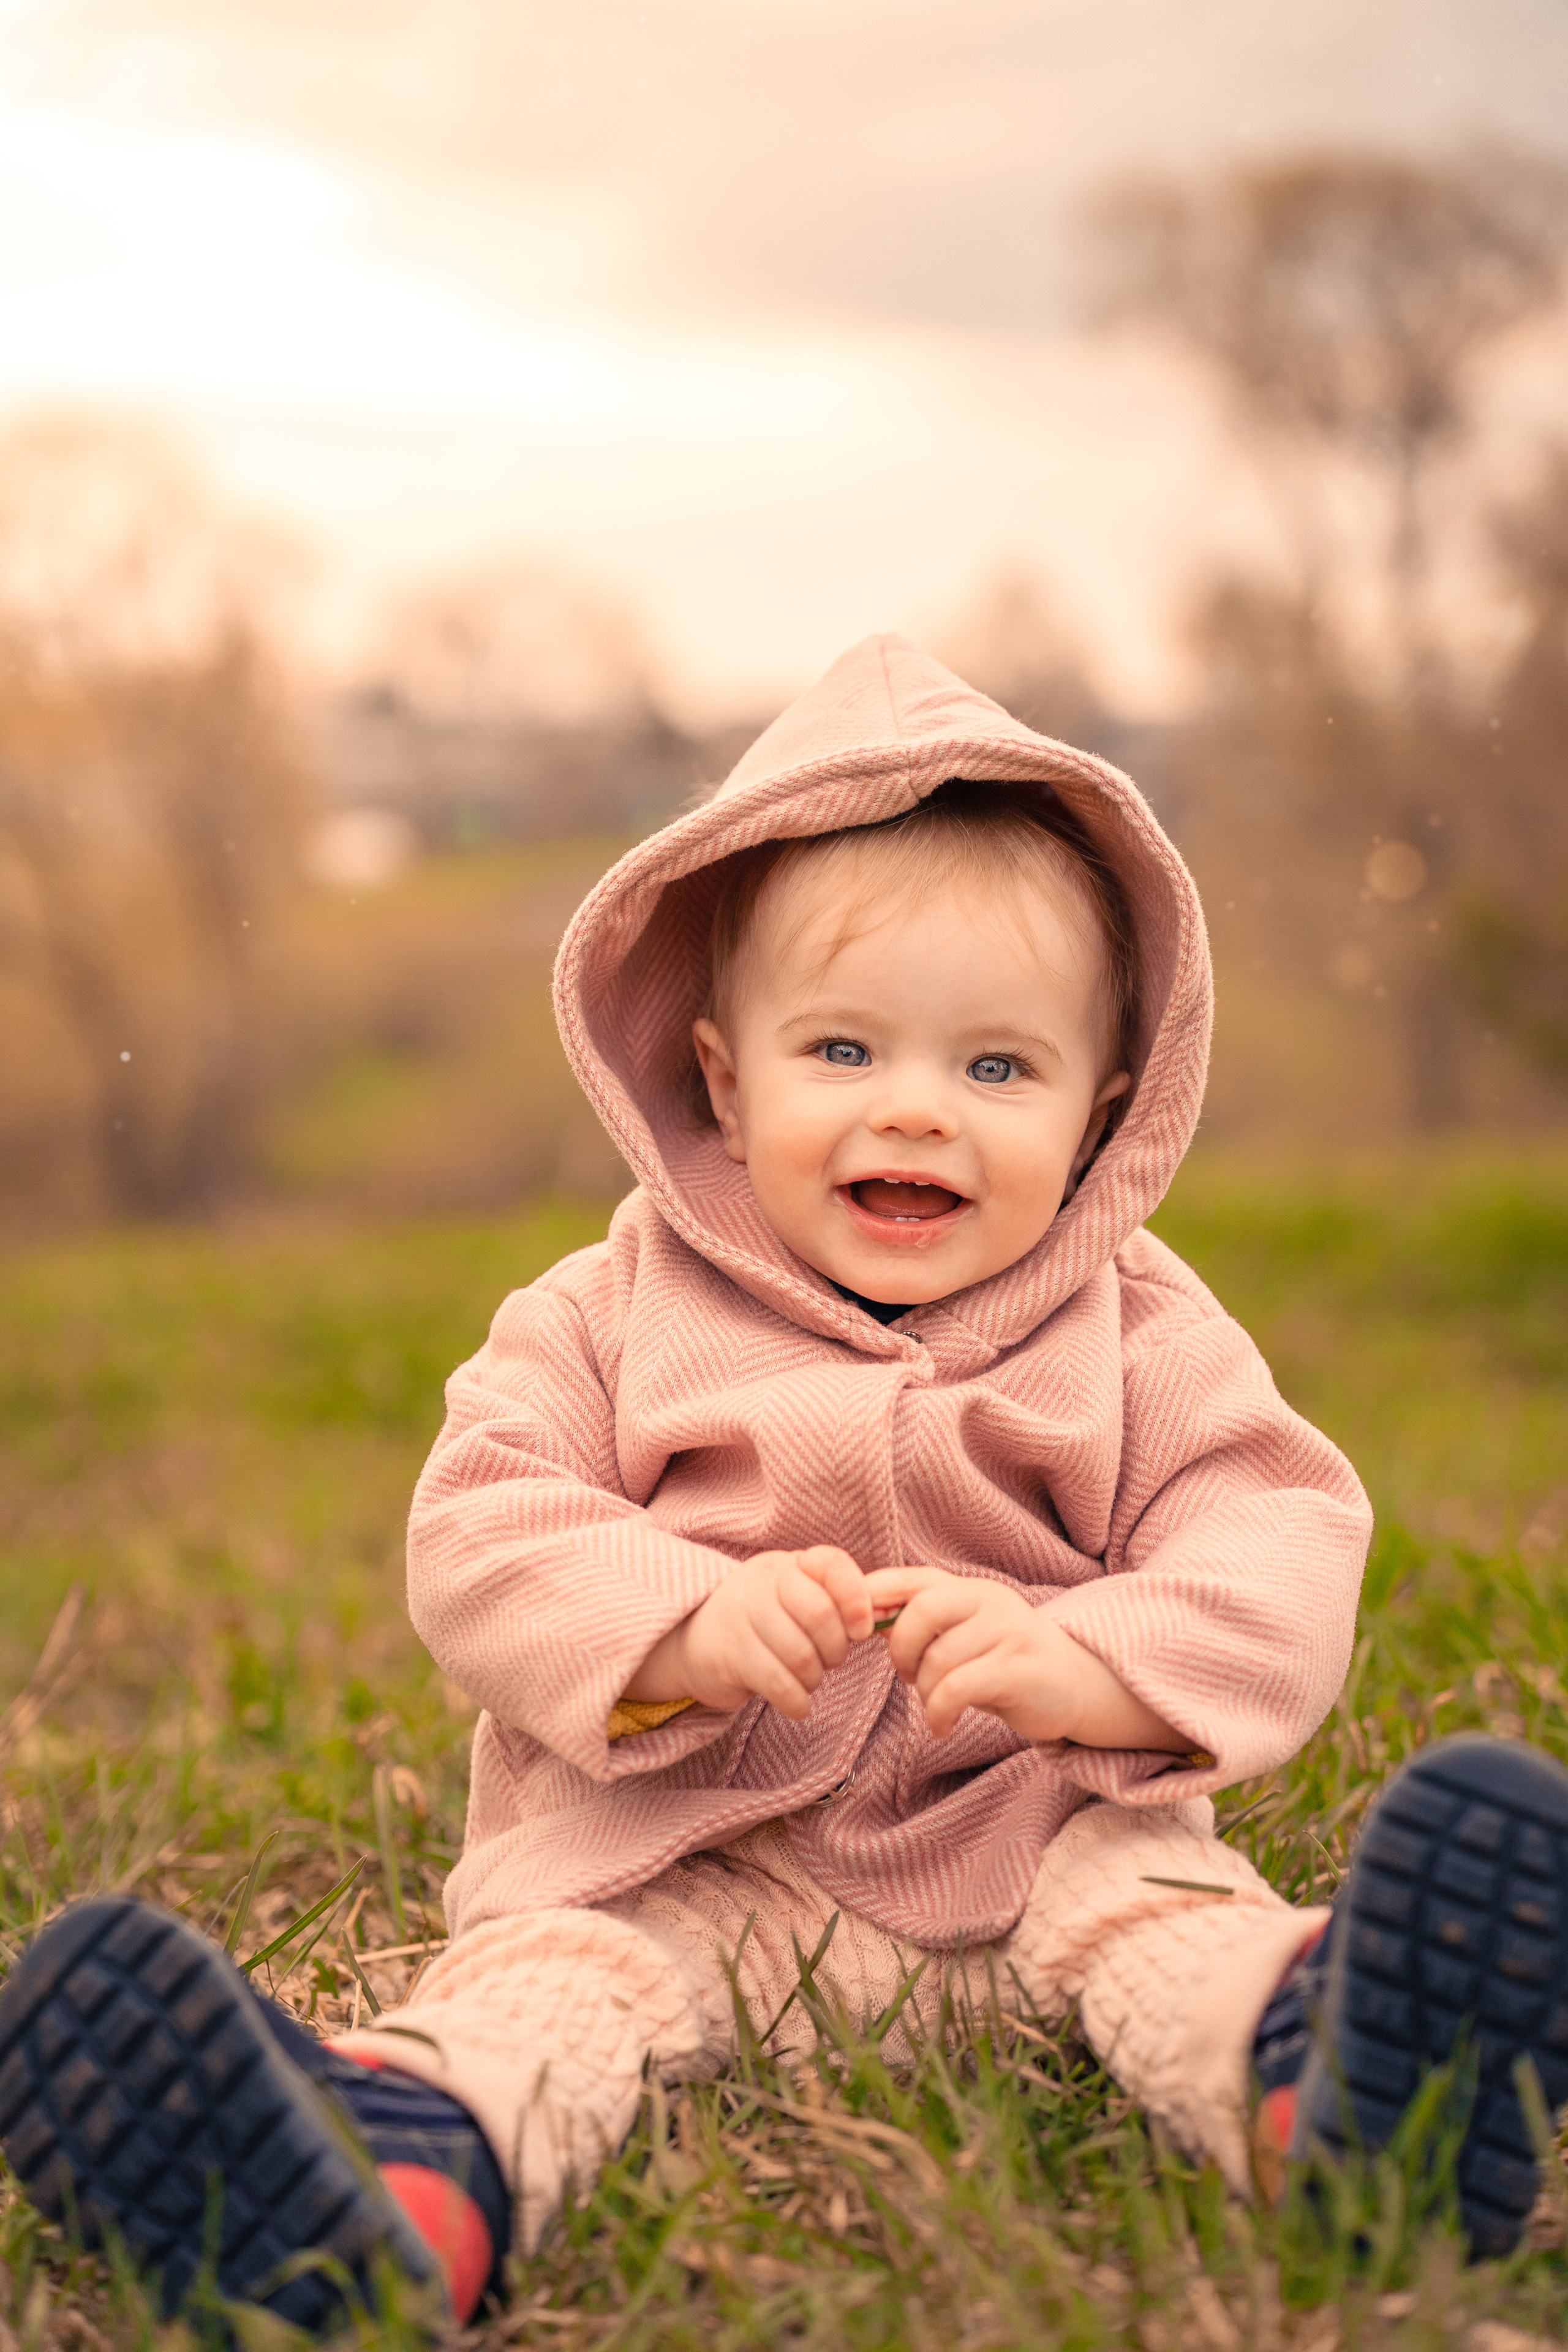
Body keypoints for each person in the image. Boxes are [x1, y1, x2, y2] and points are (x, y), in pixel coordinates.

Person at [3, 636, 1567, 2332]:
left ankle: (1338, 2093)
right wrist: (676, 1626)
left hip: (1034, 1841)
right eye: (842, 1052)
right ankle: (395, 2178)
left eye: (996, 1069)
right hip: (686, 1868)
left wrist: (1094, 1665)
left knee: (1178, 1924)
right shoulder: (606, 1312)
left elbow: (1276, 1531)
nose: (919, 1114)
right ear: (723, 1082)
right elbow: (481, 1523)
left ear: (1102, 1115)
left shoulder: (1140, 1329)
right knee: (546, 1994)